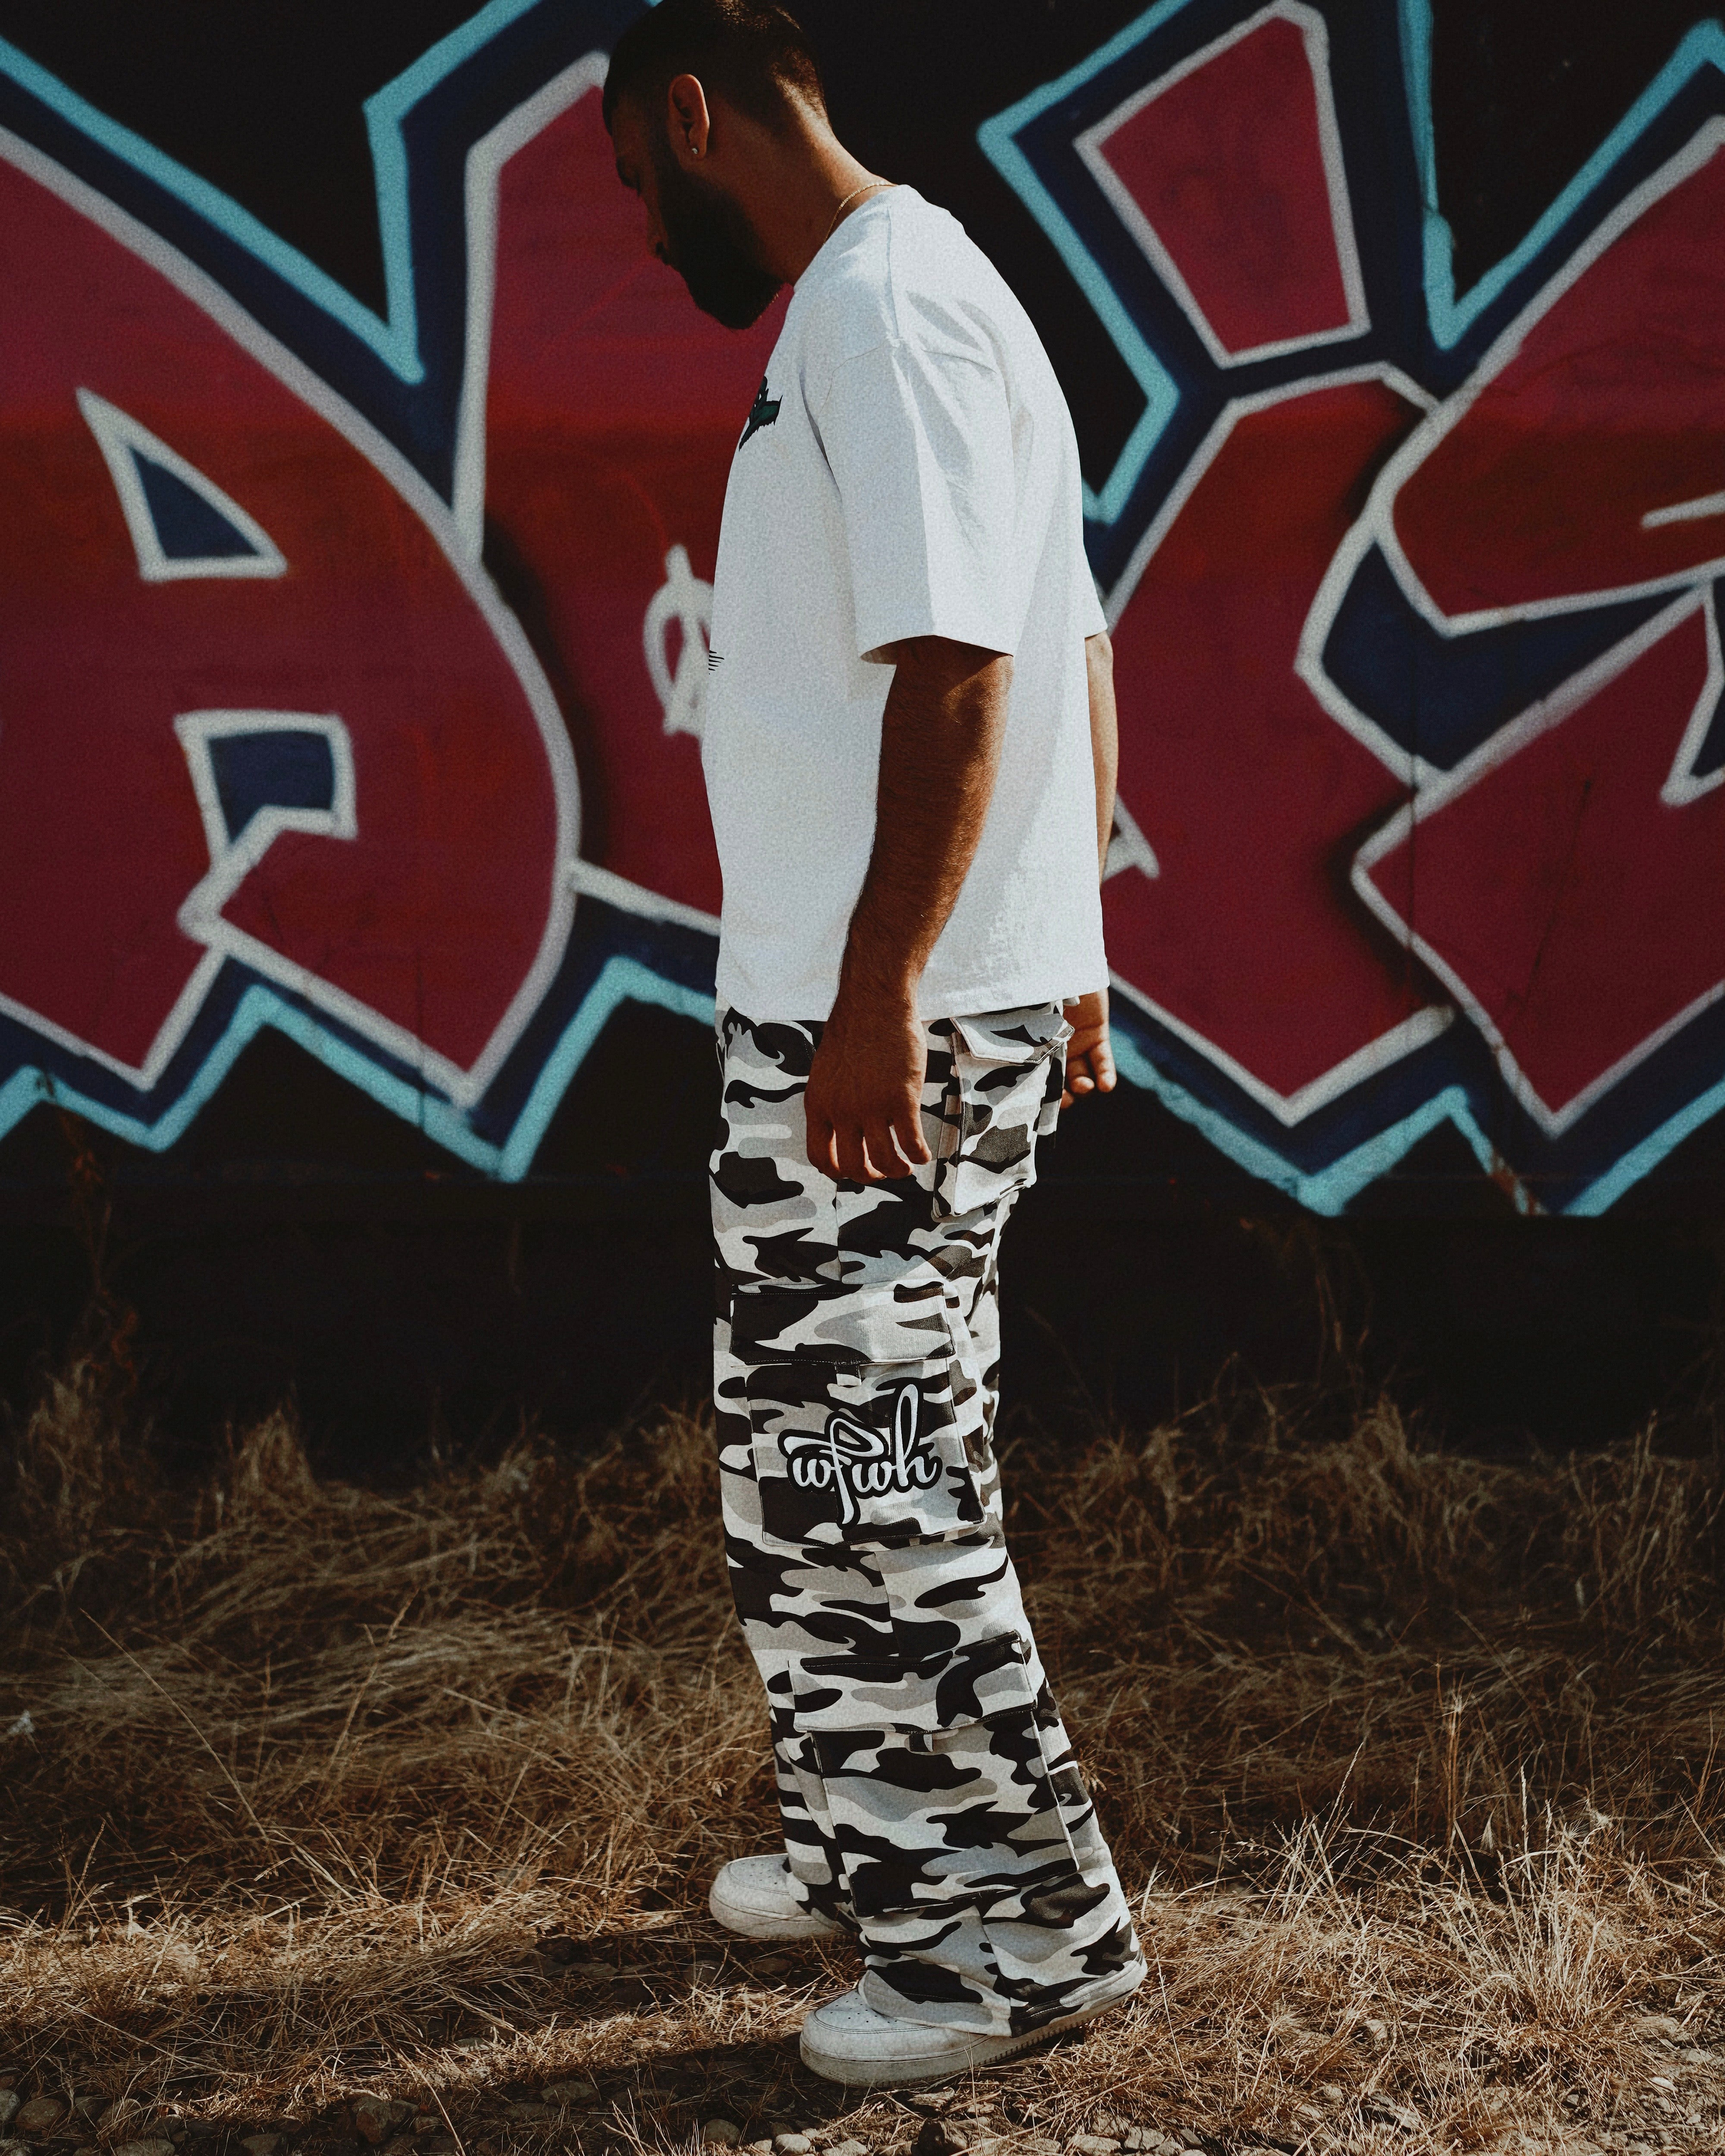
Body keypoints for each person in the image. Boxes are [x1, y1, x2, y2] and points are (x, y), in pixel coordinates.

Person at [602, 0, 1145, 2088]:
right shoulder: (908, 292)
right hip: (888, 1000)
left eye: (635, 181)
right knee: (811, 1455)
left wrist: (888, 988)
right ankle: (872, 1830)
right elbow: (1082, 630)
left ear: (692, 109)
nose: (645, 227)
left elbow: (964, 664)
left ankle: (1024, 1938)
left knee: (873, 1479)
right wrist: (1060, 933)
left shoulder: (887, 308)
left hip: (878, 1025)